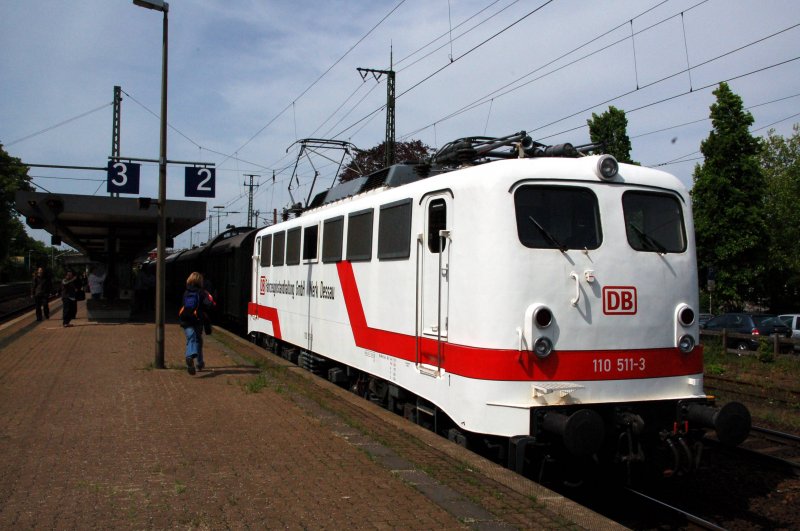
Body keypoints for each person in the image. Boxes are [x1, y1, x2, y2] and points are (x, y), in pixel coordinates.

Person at [179, 272, 215, 375]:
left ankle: (196, 361)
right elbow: (209, 304)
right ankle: (194, 359)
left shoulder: (186, 292)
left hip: (185, 319)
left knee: (192, 338)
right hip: (197, 320)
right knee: (196, 339)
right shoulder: (202, 292)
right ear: (200, 281)